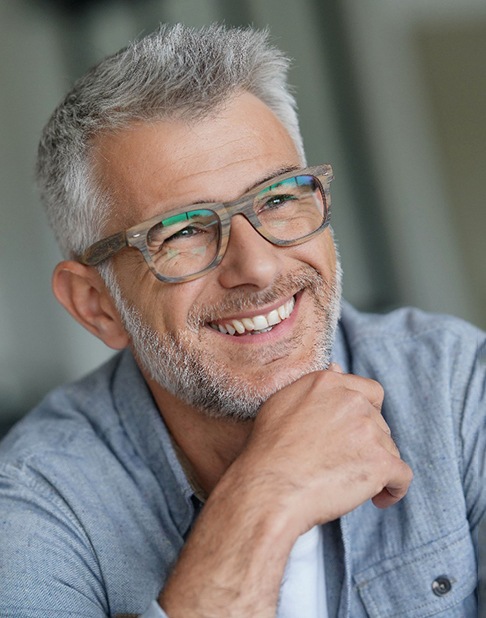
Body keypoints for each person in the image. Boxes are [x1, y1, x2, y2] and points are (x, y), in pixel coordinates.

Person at [0, 22, 484, 618]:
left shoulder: (458, 388)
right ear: (96, 304)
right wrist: (262, 500)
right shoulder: (35, 501)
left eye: (278, 198)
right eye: (182, 231)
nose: (255, 265)